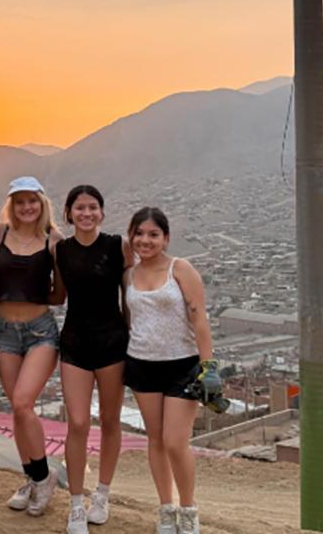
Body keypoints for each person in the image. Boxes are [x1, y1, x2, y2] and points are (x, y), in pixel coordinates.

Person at [122, 207, 220, 534]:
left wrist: (209, 367)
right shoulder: (128, 275)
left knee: (176, 442)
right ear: (131, 236)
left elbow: (199, 318)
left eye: (153, 234)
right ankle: (166, 507)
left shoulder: (181, 269)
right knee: (155, 439)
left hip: (182, 365)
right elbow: (129, 320)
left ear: (166, 237)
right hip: (141, 364)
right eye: (139, 233)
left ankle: (188, 509)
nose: (145, 240)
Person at [51, 184, 132, 534]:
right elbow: (56, 293)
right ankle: (75, 503)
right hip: (74, 343)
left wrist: (135, 340)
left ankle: (102, 493)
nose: (86, 213)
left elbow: (130, 296)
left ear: (102, 211)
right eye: (79, 208)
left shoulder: (118, 246)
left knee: (111, 421)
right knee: (79, 424)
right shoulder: (61, 250)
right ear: (69, 213)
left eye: (93, 207)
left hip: (113, 342)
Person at [0, 176, 63, 516]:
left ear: (42, 202)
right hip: (4, 330)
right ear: (11, 205)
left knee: (22, 402)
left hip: (40, 331)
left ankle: (44, 477)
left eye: (32, 200)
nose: (26, 207)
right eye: (19, 201)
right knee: (16, 412)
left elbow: (60, 294)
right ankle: (31, 480)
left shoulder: (53, 240)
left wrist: (29, 296)